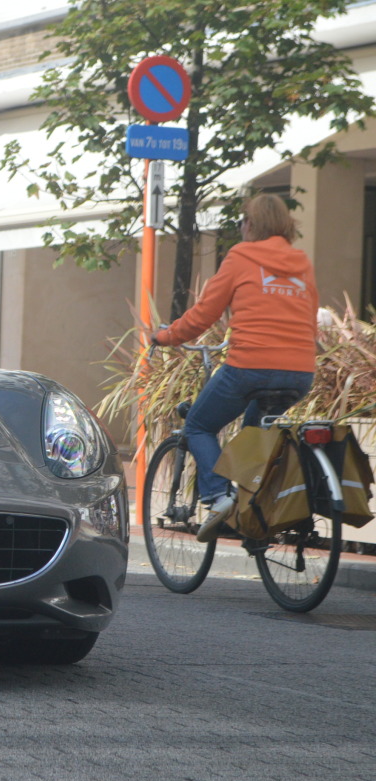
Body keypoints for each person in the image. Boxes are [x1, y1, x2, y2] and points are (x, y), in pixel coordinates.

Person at [151, 193, 318, 541]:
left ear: (251, 224)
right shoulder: (302, 261)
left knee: (197, 425)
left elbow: (204, 314)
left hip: (250, 366)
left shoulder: (242, 256)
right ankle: (256, 508)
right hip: (300, 372)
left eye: (242, 221)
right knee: (254, 439)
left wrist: (165, 337)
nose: (241, 227)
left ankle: (219, 497)